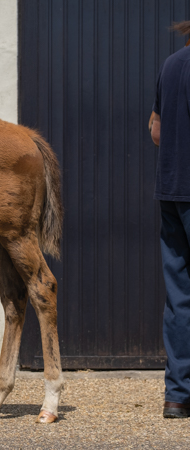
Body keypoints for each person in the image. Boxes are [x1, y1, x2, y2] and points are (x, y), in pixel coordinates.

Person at [151, 20, 190, 419]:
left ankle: (177, 397)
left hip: (172, 190)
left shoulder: (171, 64)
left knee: (180, 297)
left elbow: (156, 130)